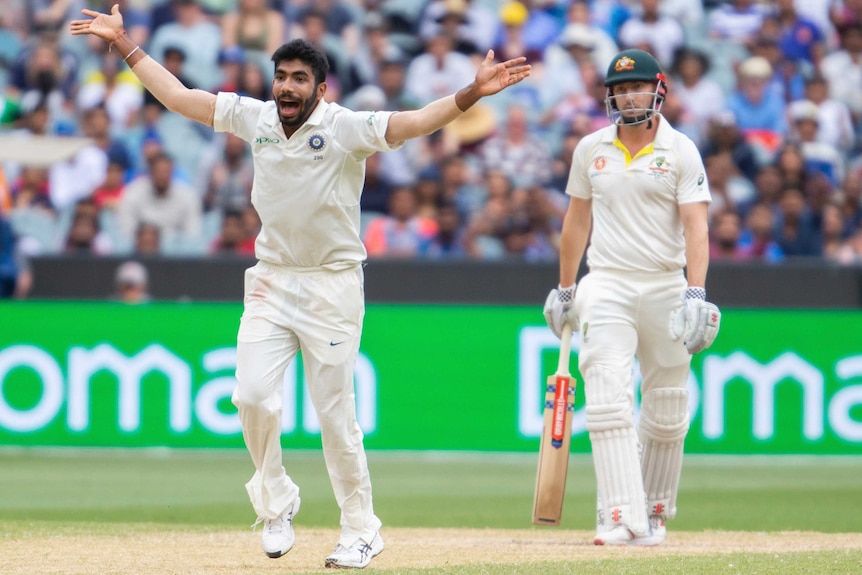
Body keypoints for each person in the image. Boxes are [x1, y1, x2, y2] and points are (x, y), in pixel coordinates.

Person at [70, 4, 531, 569]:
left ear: (320, 87)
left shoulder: (344, 127)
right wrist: (124, 45)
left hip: (333, 286)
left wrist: (470, 94)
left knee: (335, 415)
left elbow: (411, 123)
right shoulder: (255, 117)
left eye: (299, 79)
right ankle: (276, 501)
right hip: (271, 279)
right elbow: (179, 98)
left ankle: (361, 529)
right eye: (281, 76)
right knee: (251, 396)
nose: (287, 88)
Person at [542, 49, 721, 547]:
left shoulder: (681, 149)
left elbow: (696, 226)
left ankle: (655, 510)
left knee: (666, 405)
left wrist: (696, 291)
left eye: (637, 87)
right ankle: (620, 513)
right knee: (605, 394)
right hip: (607, 282)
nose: (628, 95)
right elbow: (577, 220)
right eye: (620, 89)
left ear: (657, 90)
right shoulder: (590, 148)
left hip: (666, 282)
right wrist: (565, 285)